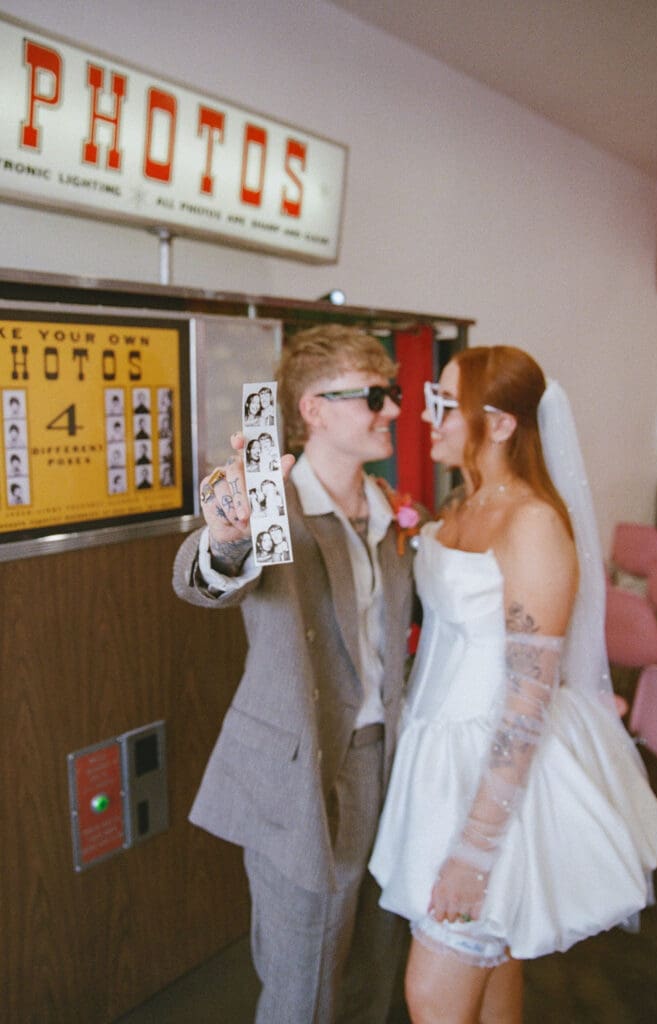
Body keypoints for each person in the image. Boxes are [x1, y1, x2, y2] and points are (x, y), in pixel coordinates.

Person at [369, 345, 657, 1024]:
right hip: (436, 752)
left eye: (444, 406)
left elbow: (526, 697)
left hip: (492, 768)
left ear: (500, 424)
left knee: (431, 995)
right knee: (493, 962)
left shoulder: (530, 522)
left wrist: (473, 849)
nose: (427, 419)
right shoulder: (463, 502)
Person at [172, 324, 414, 1024]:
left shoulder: (389, 510)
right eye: (374, 396)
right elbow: (208, 579)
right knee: (302, 976)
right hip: (301, 766)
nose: (392, 410)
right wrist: (224, 541)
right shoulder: (275, 504)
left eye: (393, 395)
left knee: (377, 949)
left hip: (387, 758)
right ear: (311, 410)